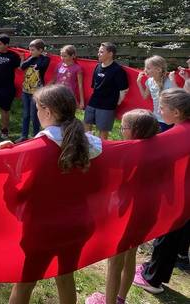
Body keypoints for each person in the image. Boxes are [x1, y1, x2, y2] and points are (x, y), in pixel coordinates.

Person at [0, 84, 102, 304]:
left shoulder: (37, 149)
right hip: (78, 224)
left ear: (48, 112)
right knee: (65, 277)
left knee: (25, 282)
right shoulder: (91, 144)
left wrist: (6, 162)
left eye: (37, 108)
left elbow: (18, 195)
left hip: (44, 228)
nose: (36, 113)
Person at [85, 109, 159, 304]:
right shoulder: (157, 149)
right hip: (145, 212)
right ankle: (120, 298)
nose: (121, 131)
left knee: (115, 261)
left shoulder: (126, 152)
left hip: (125, 214)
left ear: (135, 131)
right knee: (130, 256)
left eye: (124, 127)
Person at [133, 88, 190, 293]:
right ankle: (161, 269)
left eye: (162, 107)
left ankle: (152, 280)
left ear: (176, 112)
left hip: (180, 197)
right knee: (179, 235)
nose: (158, 109)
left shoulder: (176, 134)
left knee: (167, 235)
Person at [84, 42, 129, 140]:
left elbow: (124, 89)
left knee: (102, 131)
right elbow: (94, 86)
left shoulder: (118, 70)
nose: (98, 54)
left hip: (107, 106)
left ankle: (101, 150)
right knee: (87, 124)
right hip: (93, 102)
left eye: (101, 52)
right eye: (99, 52)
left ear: (110, 54)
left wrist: (116, 102)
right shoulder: (97, 67)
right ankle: (87, 147)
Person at [16, 39, 50, 143]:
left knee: (35, 115)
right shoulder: (31, 58)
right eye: (29, 50)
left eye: (33, 50)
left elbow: (41, 66)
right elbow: (22, 66)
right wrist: (32, 57)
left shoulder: (45, 59)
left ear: (40, 50)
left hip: (37, 92)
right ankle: (24, 136)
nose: (30, 52)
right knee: (26, 114)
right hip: (26, 90)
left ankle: (36, 136)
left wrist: (38, 56)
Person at [136, 55, 175, 132]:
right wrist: (139, 83)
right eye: (145, 68)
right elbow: (144, 96)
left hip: (168, 119)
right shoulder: (149, 81)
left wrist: (173, 81)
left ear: (158, 69)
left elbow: (177, 99)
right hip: (155, 117)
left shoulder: (169, 82)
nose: (145, 70)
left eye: (148, 68)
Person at [52, 45, 84, 109]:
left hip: (69, 96)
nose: (62, 58)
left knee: (68, 115)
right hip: (57, 94)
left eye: (65, 56)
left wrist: (82, 101)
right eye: (61, 56)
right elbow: (54, 80)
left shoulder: (77, 68)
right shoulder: (59, 65)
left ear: (72, 56)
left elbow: (80, 85)